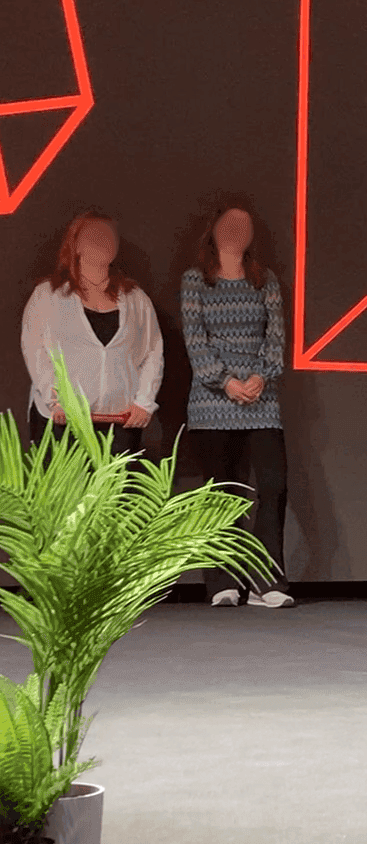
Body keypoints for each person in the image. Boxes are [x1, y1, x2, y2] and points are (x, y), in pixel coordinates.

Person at [180, 204, 291, 609]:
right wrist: (225, 382)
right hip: (212, 403)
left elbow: (275, 337)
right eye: (229, 224)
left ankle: (268, 581)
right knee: (222, 491)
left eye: (244, 225)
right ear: (213, 231)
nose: (236, 232)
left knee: (272, 485)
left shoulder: (266, 280)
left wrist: (262, 376)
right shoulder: (196, 280)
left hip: (262, 399)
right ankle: (224, 580)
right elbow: (196, 339)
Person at [21, 211, 162, 457]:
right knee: (62, 495)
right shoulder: (48, 295)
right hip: (60, 422)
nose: (102, 243)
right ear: (75, 244)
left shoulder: (136, 298)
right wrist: (55, 400)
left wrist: (144, 402)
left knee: (116, 495)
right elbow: (35, 350)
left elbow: (152, 351)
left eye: (108, 237)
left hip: (118, 423)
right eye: (93, 237)